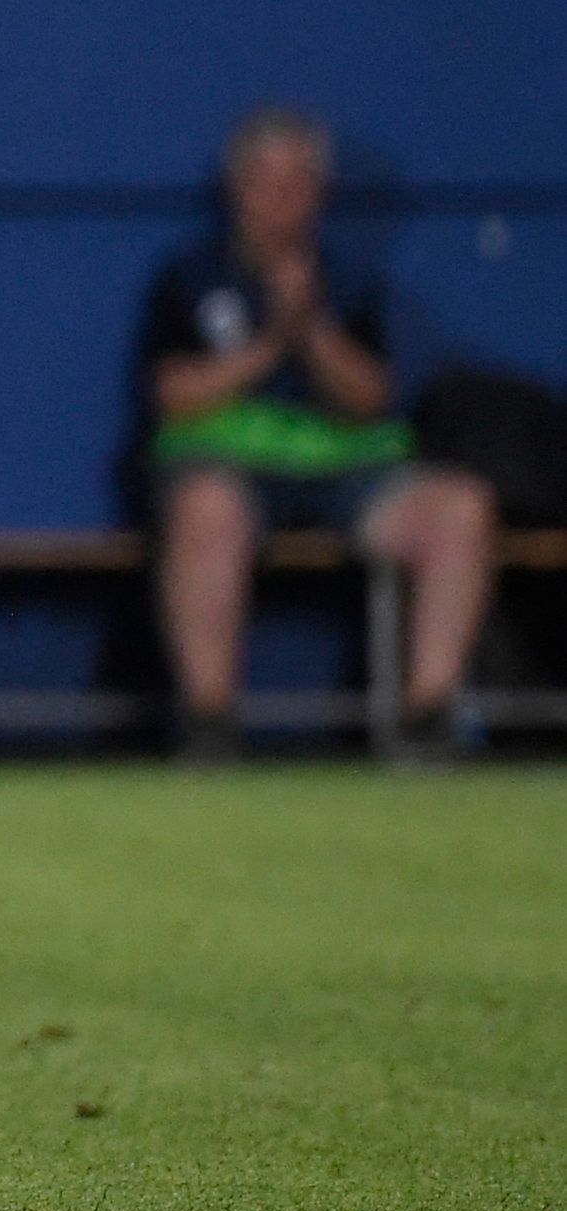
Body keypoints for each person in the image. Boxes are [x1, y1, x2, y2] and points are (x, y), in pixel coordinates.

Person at [140, 109, 496, 761]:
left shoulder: (349, 283)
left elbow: (369, 401)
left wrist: (309, 328)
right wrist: (268, 343)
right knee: (204, 509)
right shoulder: (190, 277)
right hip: (229, 468)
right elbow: (172, 397)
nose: (284, 200)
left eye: (300, 184)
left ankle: (428, 716)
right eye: (268, 182)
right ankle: (207, 723)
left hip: (343, 474)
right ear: (237, 187)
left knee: (458, 507)